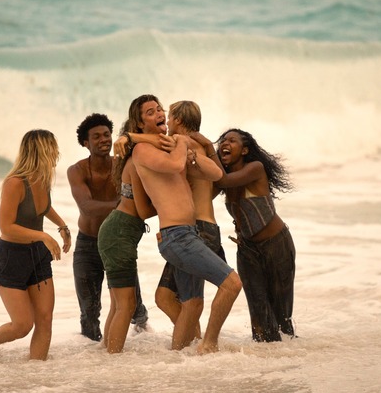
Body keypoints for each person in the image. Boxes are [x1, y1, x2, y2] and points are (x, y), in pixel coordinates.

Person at [129, 94, 242, 354]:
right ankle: (208, 344)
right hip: (177, 236)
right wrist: (181, 144)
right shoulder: (145, 150)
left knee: (191, 304)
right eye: (151, 112)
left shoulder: (173, 146)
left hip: (189, 232)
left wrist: (193, 153)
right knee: (232, 284)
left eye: (161, 110)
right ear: (139, 121)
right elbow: (173, 164)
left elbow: (215, 174)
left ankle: (178, 359)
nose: (160, 115)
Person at [0, 129, 72, 360]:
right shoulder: (14, 183)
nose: (57, 152)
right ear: (40, 150)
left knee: (45, 319)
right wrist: (43, 236)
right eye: (52, 147)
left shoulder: (43, 179)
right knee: (22, 325)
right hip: (11, 257)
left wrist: (62, 226)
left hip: (37, 257)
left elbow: (43, 207)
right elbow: (7, 227)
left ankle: (36, 374)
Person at [67, 113, 148, 342]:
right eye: (96, 137)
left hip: (116, 242)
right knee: (89, 312)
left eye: (106, 135)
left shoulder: (121, 164)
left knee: (134, 308)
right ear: (86, 143)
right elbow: (87, 206)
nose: (103, 139)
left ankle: (145, 340)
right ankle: (94, 357)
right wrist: (123, 205)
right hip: (88, 244)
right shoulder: (77, 170)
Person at [97, 113, 173, 353]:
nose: (161, 114)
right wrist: (170, 205)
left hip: (115, 231)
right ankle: (113, 360)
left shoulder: (134, 159)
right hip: (119, 233)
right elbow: (141, 210)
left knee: (118, 305)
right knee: (126, 306)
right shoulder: (137, 161)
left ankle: (105, 355)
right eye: (151, 112)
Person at [213, 128, 296, 342]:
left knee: (281, 316)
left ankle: (289, 363)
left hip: (276, 245)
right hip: (247, 250)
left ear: (245, 150)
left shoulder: (255, 168)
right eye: (222, 140)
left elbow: (223, 181)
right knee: (259, 316)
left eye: (232, 140)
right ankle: (264, 368)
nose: (224, 143)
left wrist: (205, 147)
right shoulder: (225, 176)